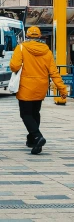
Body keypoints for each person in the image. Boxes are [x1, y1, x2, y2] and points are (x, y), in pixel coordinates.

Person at [10, 26, 68, 155]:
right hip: (41, 86)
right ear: (40, 36)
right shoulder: (46, 50)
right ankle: (31, 140)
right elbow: (53, 72)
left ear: (28, 36)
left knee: (25, 114)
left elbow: (14, 66)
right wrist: (62, 89)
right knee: (35, 112)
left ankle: (37, 136)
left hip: (25, 86)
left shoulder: (21, 48)